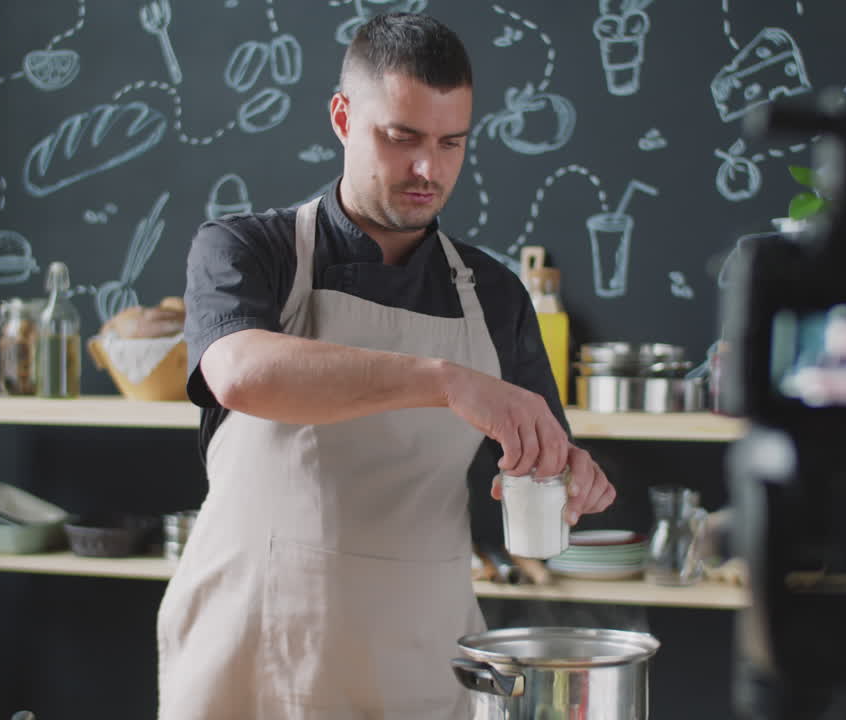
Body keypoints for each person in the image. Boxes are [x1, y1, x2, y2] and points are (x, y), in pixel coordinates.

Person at [158, 12, 616, 719]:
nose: (428, 169)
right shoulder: (248, 249)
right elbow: (241, 374)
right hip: (253, 651)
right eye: (402, 138)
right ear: (343, 118)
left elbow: (540, 448)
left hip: (420, 660)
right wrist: (445, 381)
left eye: (451, 142)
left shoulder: (494, 294)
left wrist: (566, 471)